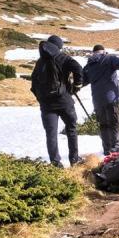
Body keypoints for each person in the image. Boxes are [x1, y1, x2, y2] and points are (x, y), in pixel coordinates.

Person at [30, 35, 84, 168]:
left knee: (51, 134)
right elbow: (77, 68)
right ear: (59, 46)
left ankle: (56, 164)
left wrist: (41, 99)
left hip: (47, 105)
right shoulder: (62, 57)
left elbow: (33, 83)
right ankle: (74, 160)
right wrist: (77, 85)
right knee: (71, 129)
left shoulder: (40, 61)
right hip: (64, 101)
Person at [82, 45, 119, 155]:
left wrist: (71, 88)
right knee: (114, 123)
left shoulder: (89, 65)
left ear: (93, 52)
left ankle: (107, 150)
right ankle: (117, 149)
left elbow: (82, 81)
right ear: (103, 51)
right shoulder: (109, 58)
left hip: (97, 100)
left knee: (103, 124)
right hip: (111, 98)